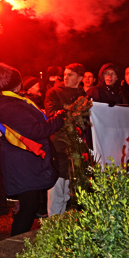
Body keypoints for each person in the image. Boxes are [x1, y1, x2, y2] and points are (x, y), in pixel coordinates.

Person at [0, 62, 64, 234]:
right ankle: (14, 243)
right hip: (23, 161)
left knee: (32, 202)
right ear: (16, 84)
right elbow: (35, 130)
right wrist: (58, 119)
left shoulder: (7, 100)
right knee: (29, 206)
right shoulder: (10, 105)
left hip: (24, 159)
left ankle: (18, 242)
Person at [44, 63, 86, 216]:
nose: (65, 77)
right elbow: (52, 113)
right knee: (57, 189)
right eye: (65, 74)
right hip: (59, 145)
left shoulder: (85, 95)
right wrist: (74, 111)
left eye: (70, 75)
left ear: (80, 78)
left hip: (79, 148)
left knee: (72, 190)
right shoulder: (54, 92)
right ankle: (53, 224)